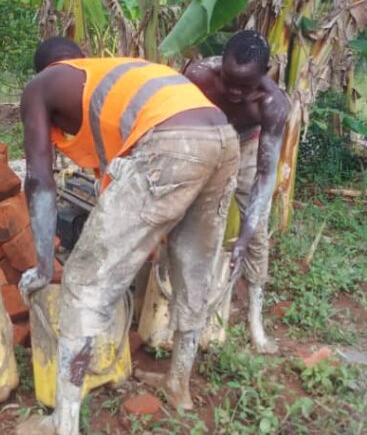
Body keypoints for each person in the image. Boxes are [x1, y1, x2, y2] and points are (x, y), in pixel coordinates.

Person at [15, 37, 240, 435]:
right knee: (195, 266)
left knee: (82, 280)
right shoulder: (115, 79)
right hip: (221, 138)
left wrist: (43, 265)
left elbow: (39, 180)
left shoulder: (43, 85)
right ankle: (179, 384)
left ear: (47, 68)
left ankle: (62, 424)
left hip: (173, 143)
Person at [183, 30, 290, 354]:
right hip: (205, 138)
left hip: (248, 145)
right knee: (186, 219)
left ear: (265, 75)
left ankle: (256, 325)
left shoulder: (273, 105)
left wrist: (243, 236)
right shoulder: (198, 75)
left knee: (256, 236)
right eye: (228, 80)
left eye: (243, 86)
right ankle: (181, 305)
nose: (232, 91)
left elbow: (265, 175)